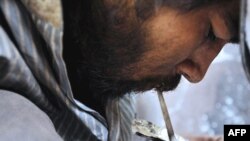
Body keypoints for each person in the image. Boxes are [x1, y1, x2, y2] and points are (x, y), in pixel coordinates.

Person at [0, 0, 240, 141]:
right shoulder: (13, 113)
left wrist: (235, 134)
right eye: (210, 33)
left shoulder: (97, 57)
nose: (197, 73)